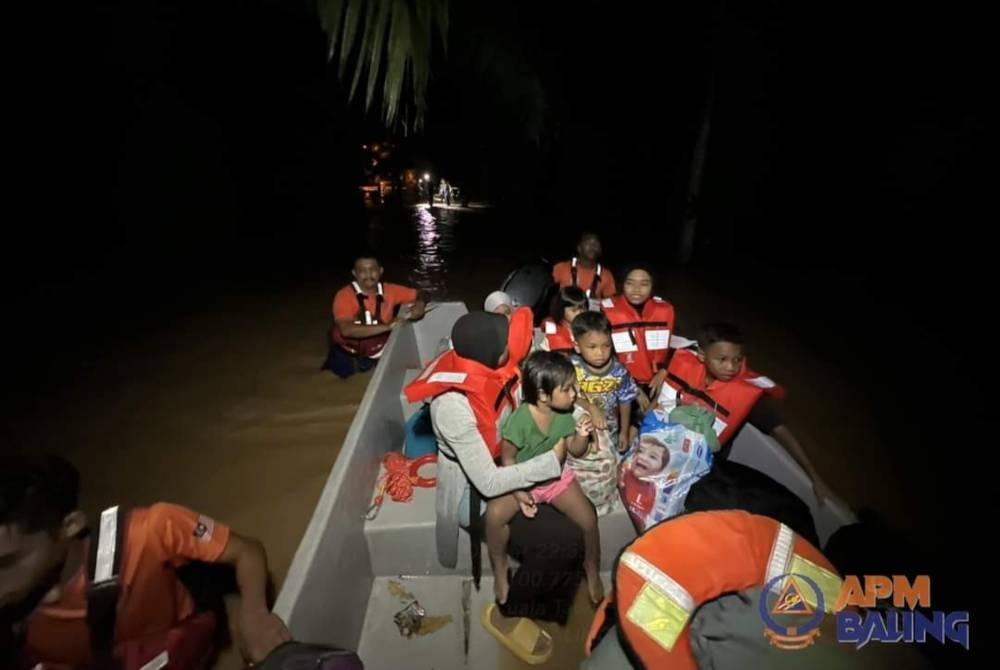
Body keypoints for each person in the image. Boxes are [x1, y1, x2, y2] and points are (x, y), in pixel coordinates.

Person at [403, 311, 583, 665]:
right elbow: (487, 480)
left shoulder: (496, 367)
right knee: (563, 544)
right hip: (476, 492)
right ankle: (507, 610)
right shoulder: (453, 405)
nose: (514, 343)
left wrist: (577, 412)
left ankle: (542, 607)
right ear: (496, 352)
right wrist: (551, 461)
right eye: (507, 341)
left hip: (510, 462)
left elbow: (537, 397)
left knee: (573, 537)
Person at [2, 453, 290, 669]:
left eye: (7, 563)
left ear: (71, 526)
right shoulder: (13, 624)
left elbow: (245, 551)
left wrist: (253, 614)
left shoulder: (152, 529)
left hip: (184, 645)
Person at [659, 322, 833, 504]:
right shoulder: (683, 365)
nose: (731, 368)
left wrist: (815, 479)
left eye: (737, 360)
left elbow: (780, 431)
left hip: (701, 468)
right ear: (702, 355)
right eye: (722, 359)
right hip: (663, 448)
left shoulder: (745, 395)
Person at [486, 352, 603, 607]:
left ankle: (591, 568)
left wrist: (582, 435)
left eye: (574, 387)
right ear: (542, 395)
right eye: (567, 389)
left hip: (555, 479)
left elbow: (575, 450)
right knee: (494, 516)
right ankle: (499, 567)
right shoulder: (519, 421)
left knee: (588, 520)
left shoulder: (565, 413)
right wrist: (518, 493)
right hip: (523, 480)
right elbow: (508, 461)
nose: (575, 395)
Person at [325, 255, 427, 378]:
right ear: (354, 273)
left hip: (377, 351)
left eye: (372, 269)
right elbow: (347, 330)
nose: (368, 274)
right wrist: (387, 327)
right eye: (362, 271)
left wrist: (420, 304)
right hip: (348, 354)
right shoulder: (344, 295)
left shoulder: (391, 290)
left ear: (380, 271)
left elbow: (422, 293)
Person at [601, 263, 675, 405]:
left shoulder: (666, 310)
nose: (636, 290)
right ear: (622, 284)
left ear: (652, 286)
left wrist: (665, 370)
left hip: (657, 380)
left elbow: (672, 346)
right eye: (630, 283)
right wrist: (631, 386)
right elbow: (604, 353)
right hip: (621, 379)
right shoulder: (607, 309)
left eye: (644, 284)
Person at [571, 311, 639, 455]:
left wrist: (624, 432)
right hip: (580, 430)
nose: (600, 353)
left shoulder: (619, 372)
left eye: (606, 345)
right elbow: (566, 397)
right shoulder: (571, 368)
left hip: (610, 429)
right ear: (577, 346)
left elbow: (625, 401)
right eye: (592, 347)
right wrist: (591, 408)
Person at [551, 233, 617, 302]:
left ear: (600, 250)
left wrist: (599, 302)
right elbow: (547, 292)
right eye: (588, 243)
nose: (593, 246)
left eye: (596, 244)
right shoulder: (561, 268)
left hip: (591, 311)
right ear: (579, 248)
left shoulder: (606, 274)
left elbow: (611, 301)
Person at [539, 286, 587, 353]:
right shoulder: (551, 326)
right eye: (574, 310)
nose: (579, 313)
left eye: (582, 309)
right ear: (561, 310)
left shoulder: (589, 325)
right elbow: (558, 348)